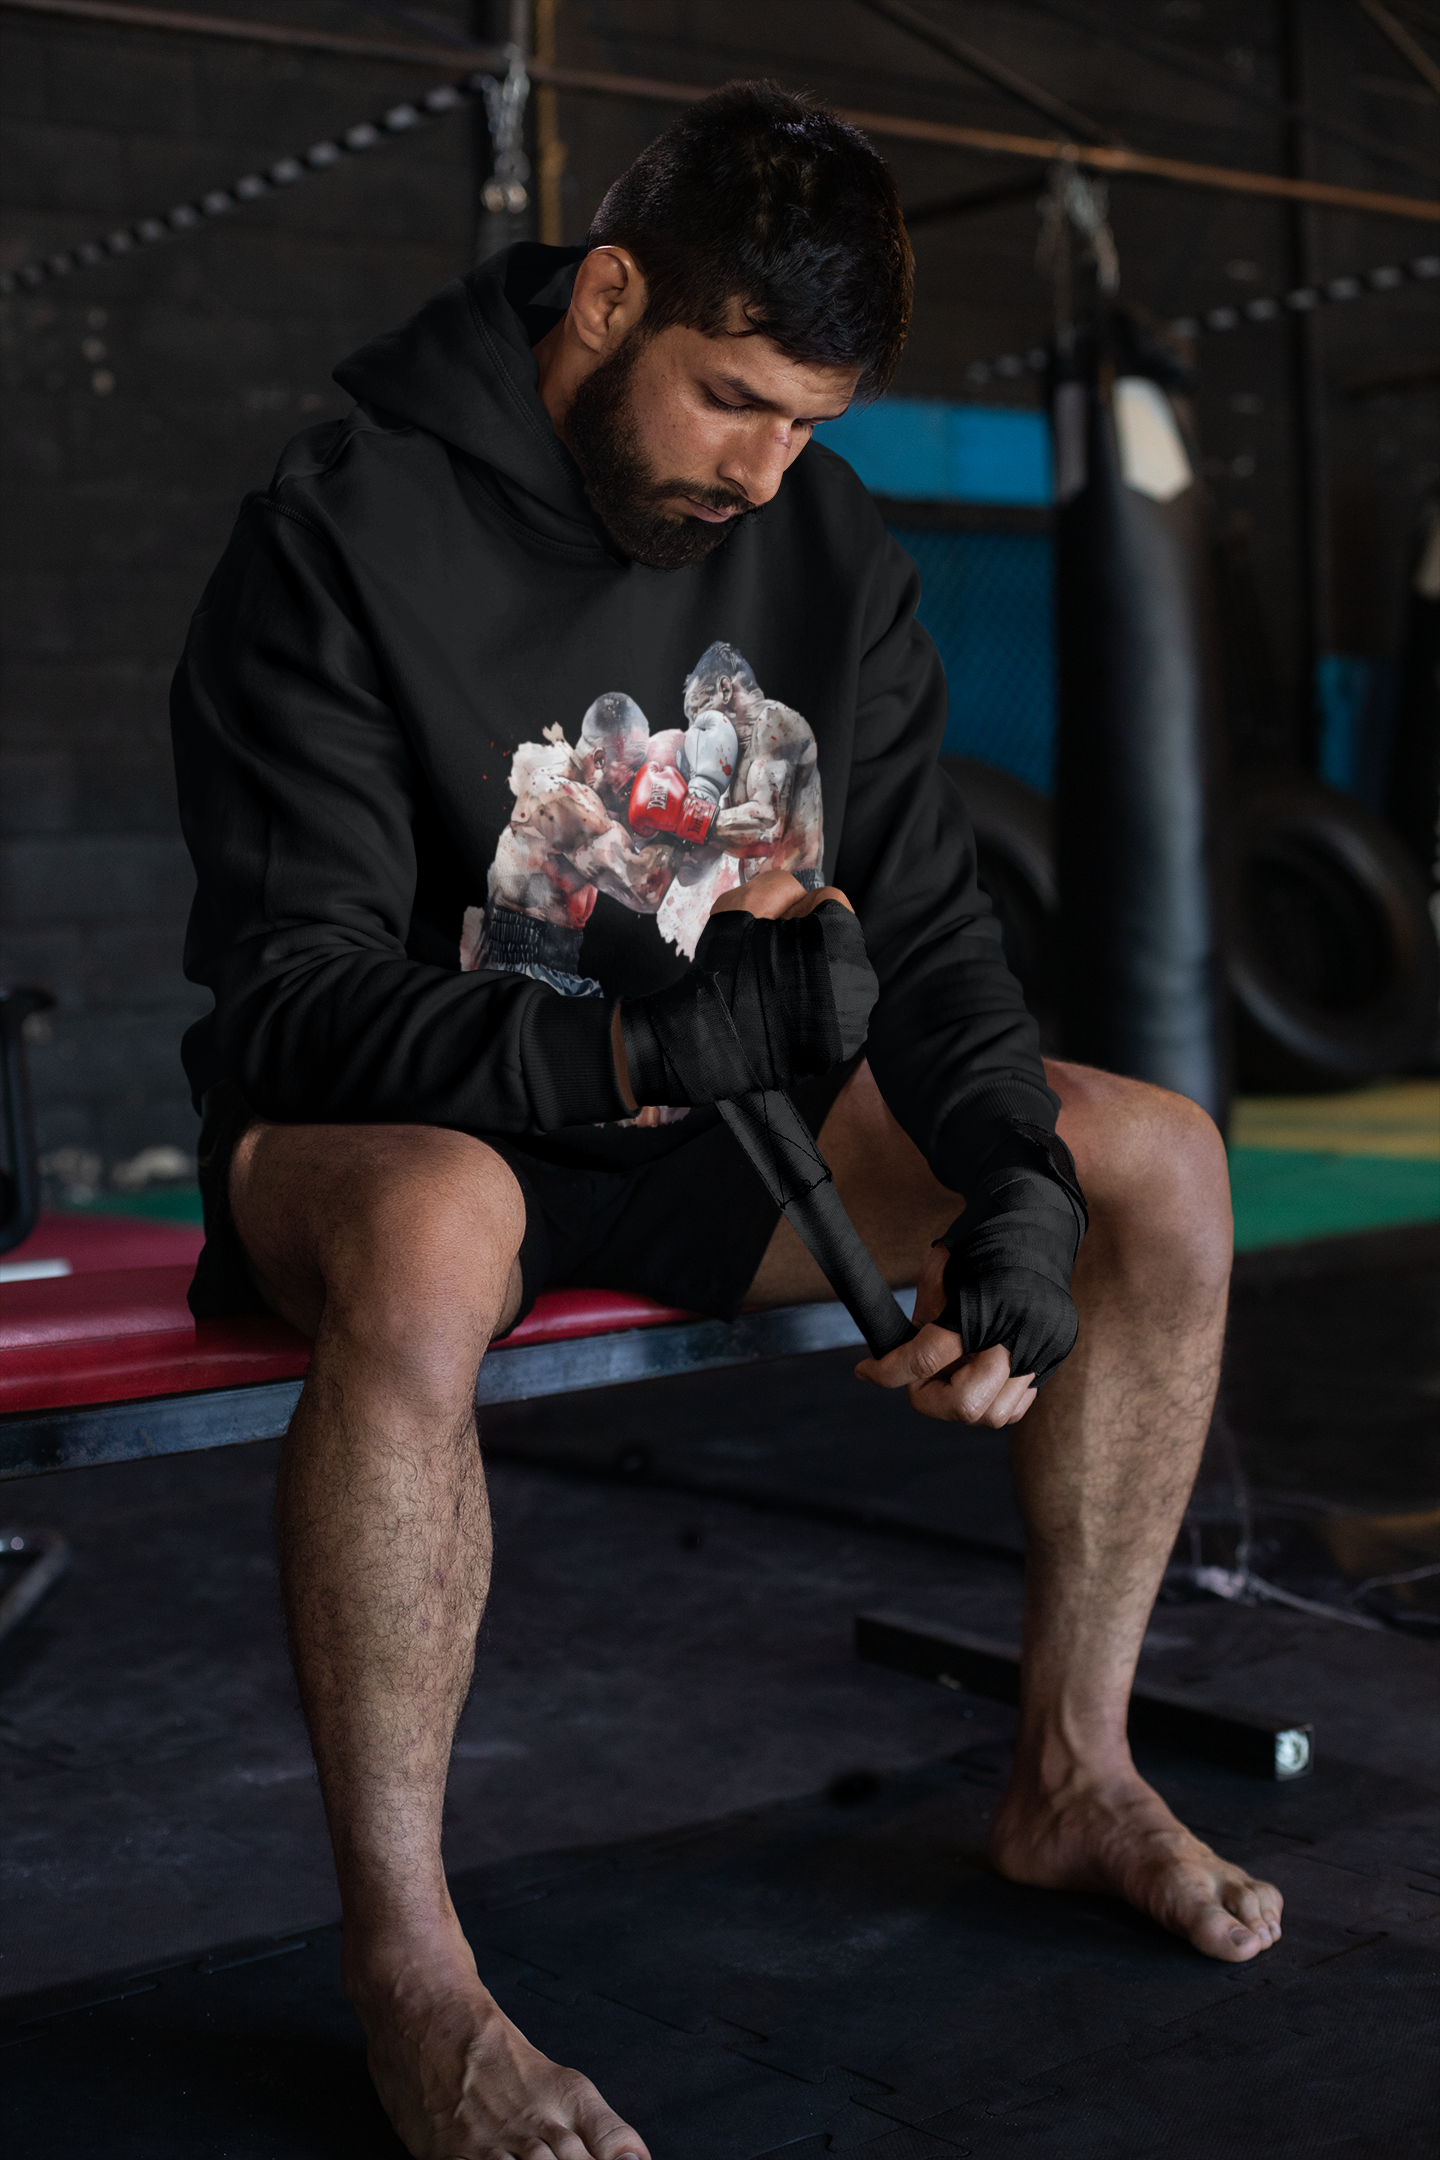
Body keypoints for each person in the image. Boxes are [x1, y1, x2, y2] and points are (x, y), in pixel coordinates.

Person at [171, 80, 1280, 2160]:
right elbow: (299, 1005)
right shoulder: (341, 529)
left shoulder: (822, 541)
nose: (766, 470)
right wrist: (628, 1052)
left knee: (1154, 1159)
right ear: (607, 298)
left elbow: (928, 931)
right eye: (737, 400)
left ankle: (1073, 1771)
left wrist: (1014, 1176)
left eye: (811, 424)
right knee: (429, 1224)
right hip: (400, 1137)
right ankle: (413, 1970)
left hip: (713, 1129)